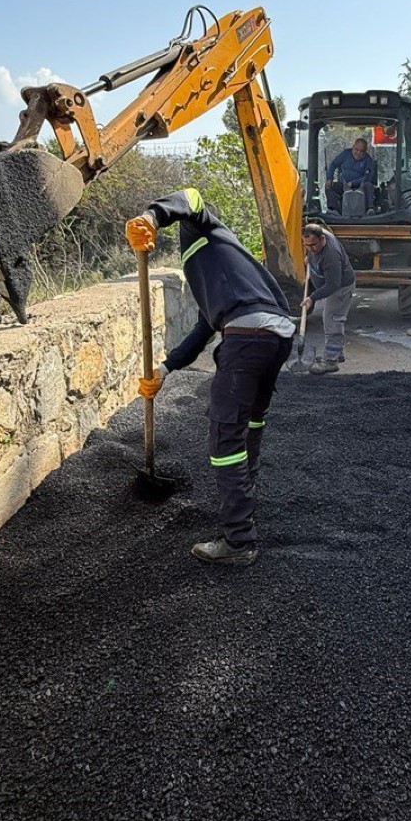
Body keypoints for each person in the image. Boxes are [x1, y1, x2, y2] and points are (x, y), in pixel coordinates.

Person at [126, 188, 295, 566]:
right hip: (277, 336)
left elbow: (191, 195)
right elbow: (205, 327)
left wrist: (152, 215)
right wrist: (166, 369)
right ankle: (245, 499)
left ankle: (238, 541)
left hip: (248, 336)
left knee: (225, 437)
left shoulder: (208, 230)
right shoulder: (221, 264)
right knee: (250, 423)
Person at [300, 222, 356, 375]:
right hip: (330, 284)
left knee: (332, 319)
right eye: (307, 245)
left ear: (323, 239)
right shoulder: (315, 238)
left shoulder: (331, 255)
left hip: (340, 288)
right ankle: (336, 353)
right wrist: (309, 257)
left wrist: (312, 298)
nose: (311, 248)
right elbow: (311, 249)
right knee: (332, 318)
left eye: (313, 245)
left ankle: (330, 361)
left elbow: (333, 285)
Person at [325, 136, 376, 214]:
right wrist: (329, 178)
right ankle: (333, 210)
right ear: (353, 147)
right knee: (329, 186)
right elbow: (333, 164)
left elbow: (368, 177)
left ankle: (370, 209)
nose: (359, 153)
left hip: (360, 187)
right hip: (343, 185)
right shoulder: (345, 154)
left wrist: (353, 183)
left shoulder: (368, 160)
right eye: (356, 150)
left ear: (366, 151)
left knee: (369, 185)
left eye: (362, 151)